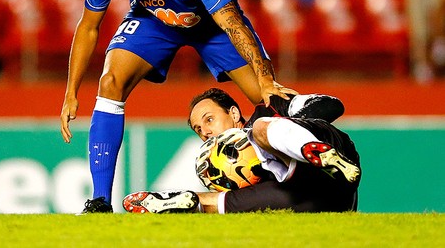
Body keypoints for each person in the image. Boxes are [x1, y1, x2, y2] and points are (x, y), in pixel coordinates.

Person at [59, 0, 298, 213]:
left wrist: (266, 80)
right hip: (154, 18)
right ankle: (100, 201)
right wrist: (71, 91)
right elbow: (89, 26)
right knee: (110, 81)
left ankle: (296, 182)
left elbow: (232, 24)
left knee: (270, 102)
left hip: (209, 25)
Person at [123, 88, 361, 213]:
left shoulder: (269, 109)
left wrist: (287, 124)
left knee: (259, 129)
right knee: (226, 203)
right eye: (198, 129)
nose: (204, 132)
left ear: (234, 114)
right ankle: (175, 203)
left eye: (209, 120)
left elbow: (332, 105)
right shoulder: (223, 169)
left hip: (336, 161)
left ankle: (314, 151)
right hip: (315, 201)